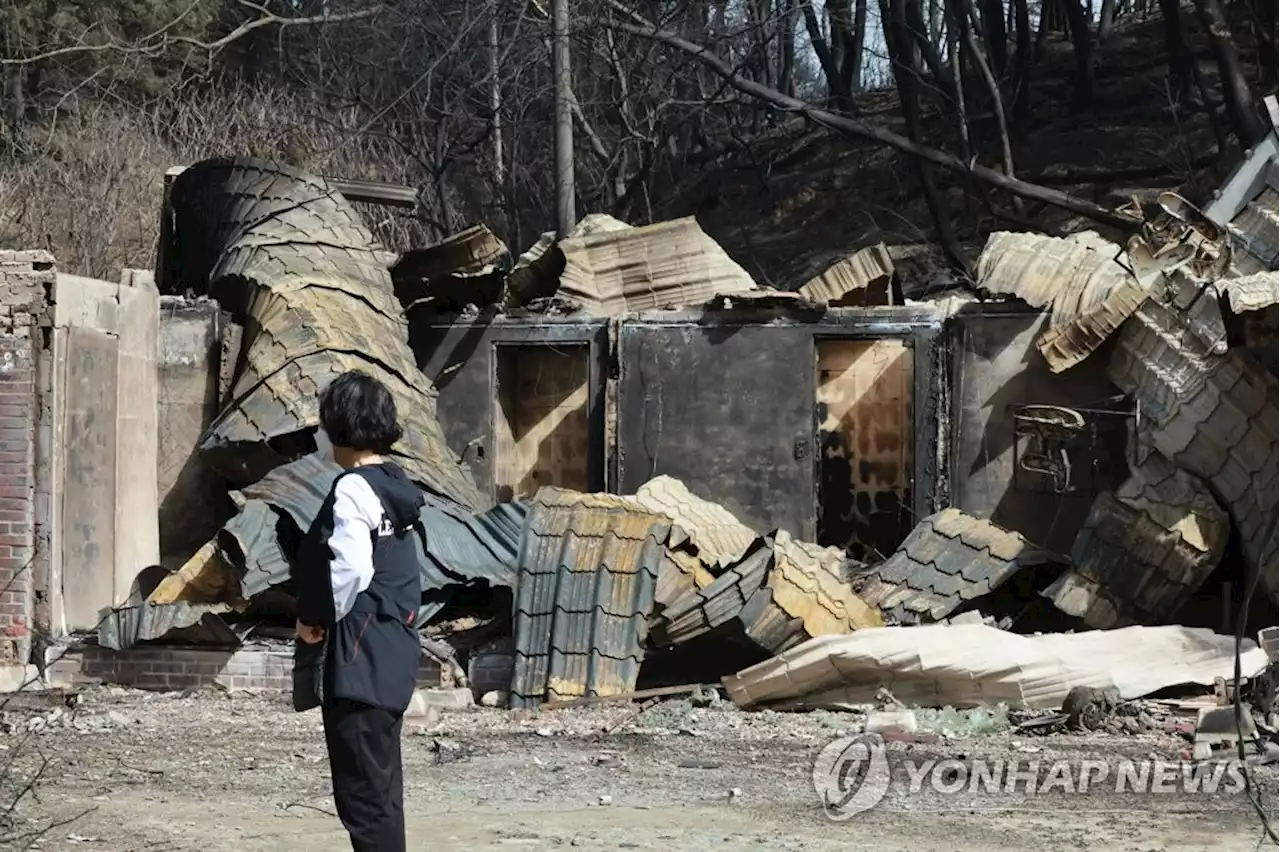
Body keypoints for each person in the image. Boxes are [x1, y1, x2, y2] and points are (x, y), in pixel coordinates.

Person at [294, 370, 424, 852]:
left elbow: (348, 569)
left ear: (340, 425)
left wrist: (316, 620)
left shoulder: (353, 489)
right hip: (390, 657)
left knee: (364, 802)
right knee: (382, 796)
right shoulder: (394, 485)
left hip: (358, 660)